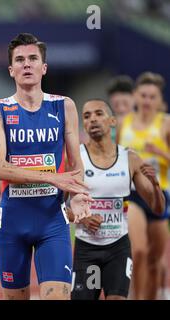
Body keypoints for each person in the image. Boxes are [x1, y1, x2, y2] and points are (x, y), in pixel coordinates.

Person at [0, 33, 92, 300]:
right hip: (12, 220)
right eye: (19, 60)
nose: (27, 64)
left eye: (33, 58)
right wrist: (54, 179)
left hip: (52, 222)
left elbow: (75, 167)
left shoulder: (63, 106)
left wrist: (78, 194)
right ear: (11, 70)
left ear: (44, 67)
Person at [70, 99, 165, 300]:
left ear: (112, 121)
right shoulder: (76, 159)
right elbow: (57, 207)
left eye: (98, 114)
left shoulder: (130, 158)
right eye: (87, 116)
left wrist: (156, 186)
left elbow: (157, 208)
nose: (93, 119)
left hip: (118, 248)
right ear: (84, 124)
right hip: (86, 249)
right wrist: (82, 217)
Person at [118, 71, 170, 299]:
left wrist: (162, 153)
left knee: (155, 262)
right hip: (132, 194)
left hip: (160, 195)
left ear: (159, 101)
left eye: (152, 97)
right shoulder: (124, 123)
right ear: (136, 97)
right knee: (138, 250)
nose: (147, 101)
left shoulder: (166, 124)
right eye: (144, 95)